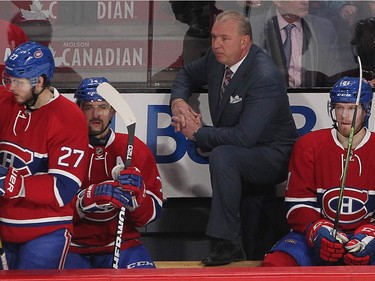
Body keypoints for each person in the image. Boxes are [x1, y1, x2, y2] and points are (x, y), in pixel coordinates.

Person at [170, 10, 299, 266]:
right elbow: (186, 74)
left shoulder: (264, 76)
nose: (216, 44)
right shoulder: (217, 59)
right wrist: (178, 102)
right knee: (227, 156)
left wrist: (197, 133)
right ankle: (234, 241)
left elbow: (244, 137)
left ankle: (226, 242)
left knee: (224, 155)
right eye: (214, 37)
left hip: (274, 154)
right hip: (245, 149)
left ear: (245, 42)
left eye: (224, 39)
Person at [262, 76, 375, 266]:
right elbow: (297, 204)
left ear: (366, 110)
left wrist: (371, 234)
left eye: (351, 108)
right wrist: (315, 228)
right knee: (276, 265)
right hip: (317, 234)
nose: (344, 116)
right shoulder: (308, 145)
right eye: (339, 107)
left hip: (367, 236)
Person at [0, 41, 89, 269]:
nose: (11, 87)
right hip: (4, 227)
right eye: (8, 80)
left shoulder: (68, 118)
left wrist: (14, 183)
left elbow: (64, 187)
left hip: (46, 231)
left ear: (39, 81)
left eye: (18, 82)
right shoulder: (7, 101)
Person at [64, 77, 163, 269]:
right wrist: (82, 202)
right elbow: (50, 208)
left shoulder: (134, 148)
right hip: (72, 245)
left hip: (123, 243)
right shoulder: (65, 148)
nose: (96, 114)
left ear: (113, 111)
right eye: (88, 107)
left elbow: (150, 216)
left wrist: (138, 198)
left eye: (102, 107)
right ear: (79, 110)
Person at [250, 0, 340, 88]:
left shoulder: (323, 27)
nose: (305, 1)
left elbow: (331, 73)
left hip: (313, 97)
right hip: (268, 97)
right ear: (278, 2)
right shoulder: (254, 27)